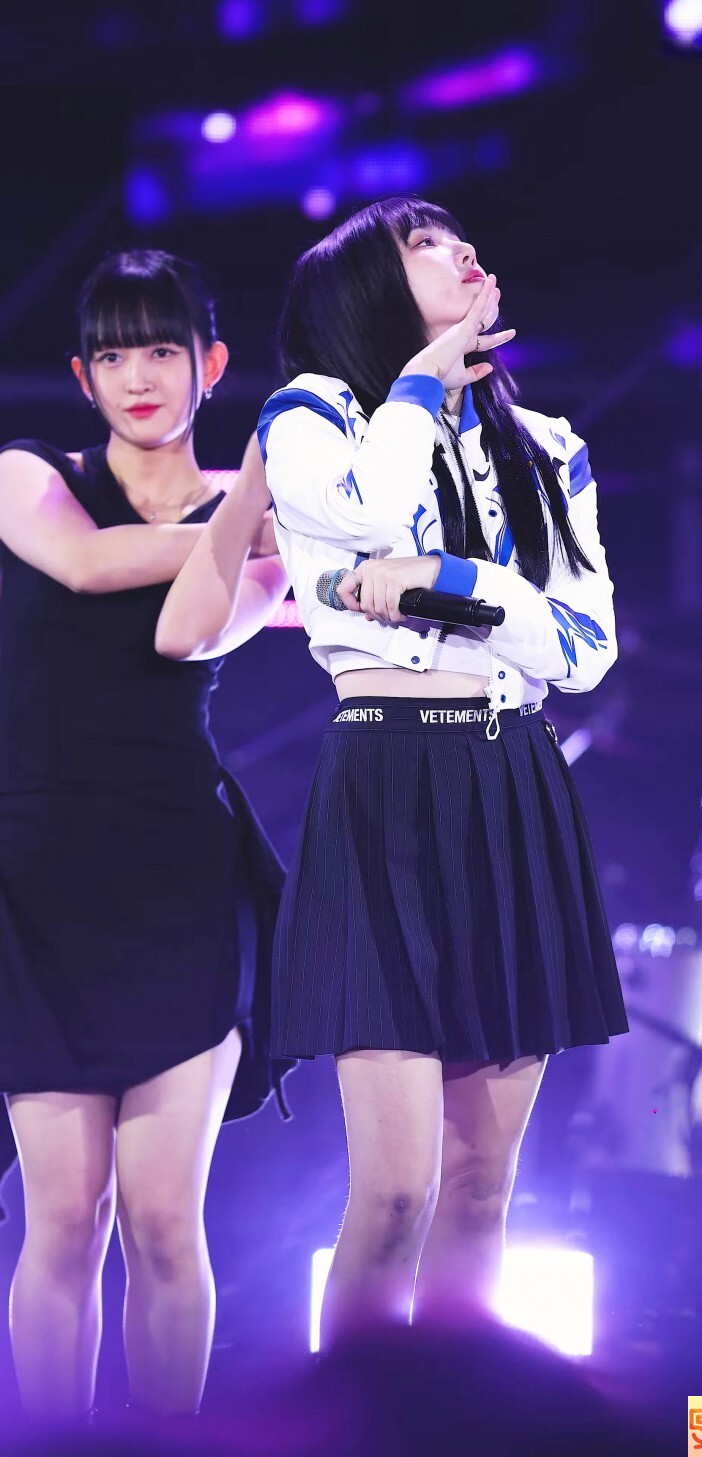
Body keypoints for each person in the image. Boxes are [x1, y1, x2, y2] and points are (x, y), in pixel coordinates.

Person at [171, 196, 626, 1348]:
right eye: (425, 245)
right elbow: (374, 513)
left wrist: (462, 585)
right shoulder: (309, 420)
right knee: (394, 1193)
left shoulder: (548, 447)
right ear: (366, 289)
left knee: (482, 1186)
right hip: (385, 778)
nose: (464, 251)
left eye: (462, 238)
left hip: (512, 778)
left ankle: (463, 1415)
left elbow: (584, 649)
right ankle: (361, 1418)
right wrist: (423, 380)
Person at [0, 249, 290, 1423]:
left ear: (209, 364)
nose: (137, 376)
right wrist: (251, 523)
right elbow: (82, 564)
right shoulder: (28, 475)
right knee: (63, 1213)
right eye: (112, 354)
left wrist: (254, 522)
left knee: (166, 1217)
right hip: (35, 875)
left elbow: (198, 630)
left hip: (177, 872)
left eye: (162, 349)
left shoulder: (254, 513)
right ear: (81, 374)